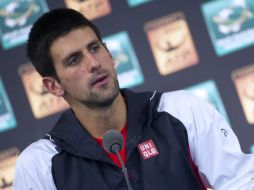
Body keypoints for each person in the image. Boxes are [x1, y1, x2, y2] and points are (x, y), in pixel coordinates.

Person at [13, 8, 254, 190]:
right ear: (53, 86)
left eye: (95, 48)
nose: (94, 63)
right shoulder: (40, 164)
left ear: (109, 53)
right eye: (74, 60)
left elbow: (240, 182)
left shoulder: (182, 110)